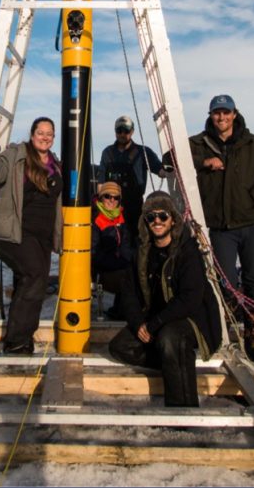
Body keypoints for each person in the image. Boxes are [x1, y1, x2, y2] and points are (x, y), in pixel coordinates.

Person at [187, 94, 254, 366]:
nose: (222, 118)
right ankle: (225, 330)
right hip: (220, 227)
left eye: (226, 113)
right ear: (211, 115)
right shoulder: (198, 144)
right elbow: (171, 159)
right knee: (225, 282)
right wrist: (203, 163)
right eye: (217, 113)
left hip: (251, 224)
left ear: (234, 114)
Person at [109, 191, 222, 407]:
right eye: (151, 217)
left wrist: (153, 326)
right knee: (120, 346)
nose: (157, 221)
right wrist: (138, 323)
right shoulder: (142, 252)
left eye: (162, 215)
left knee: (170, 338)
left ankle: (182, 411)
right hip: (157, 318)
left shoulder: (187, 251)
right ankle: (174, 362)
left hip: (192, 319)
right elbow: (129, 291)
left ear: (173, 219)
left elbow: (190, 299)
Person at [0, 117, 63, 355]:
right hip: (14, 231)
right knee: (34, 275)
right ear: (32, 133)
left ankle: (20, 334)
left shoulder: (55, 163)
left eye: (49, 134)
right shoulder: (17, 155)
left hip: (42, 236)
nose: (45, 137)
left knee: (29, 281)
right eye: (41, 133)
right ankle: (17, 340)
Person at [99, 115, 167, 249]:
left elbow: (161, 171)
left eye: (126, 131)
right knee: (111, 244)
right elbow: (101, 181)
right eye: (119, 131)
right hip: (111, 206)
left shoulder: (143, 152)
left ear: (132, 132)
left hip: (134, 207)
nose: (122, 134)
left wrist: (172, 167)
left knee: (135, 244)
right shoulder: (107, 152)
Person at [90, 181, 133, 318]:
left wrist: (125, 260)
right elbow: (95, 254)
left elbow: (126, 243)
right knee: (129, 277)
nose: (112, 200)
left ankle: (123, 309)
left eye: (116, 197)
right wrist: (119, 262)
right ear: (101, 197)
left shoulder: (120, 215)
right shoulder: (96, 218)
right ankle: (121, 311)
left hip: (119, 264)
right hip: (101, 270)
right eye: (108, 196)